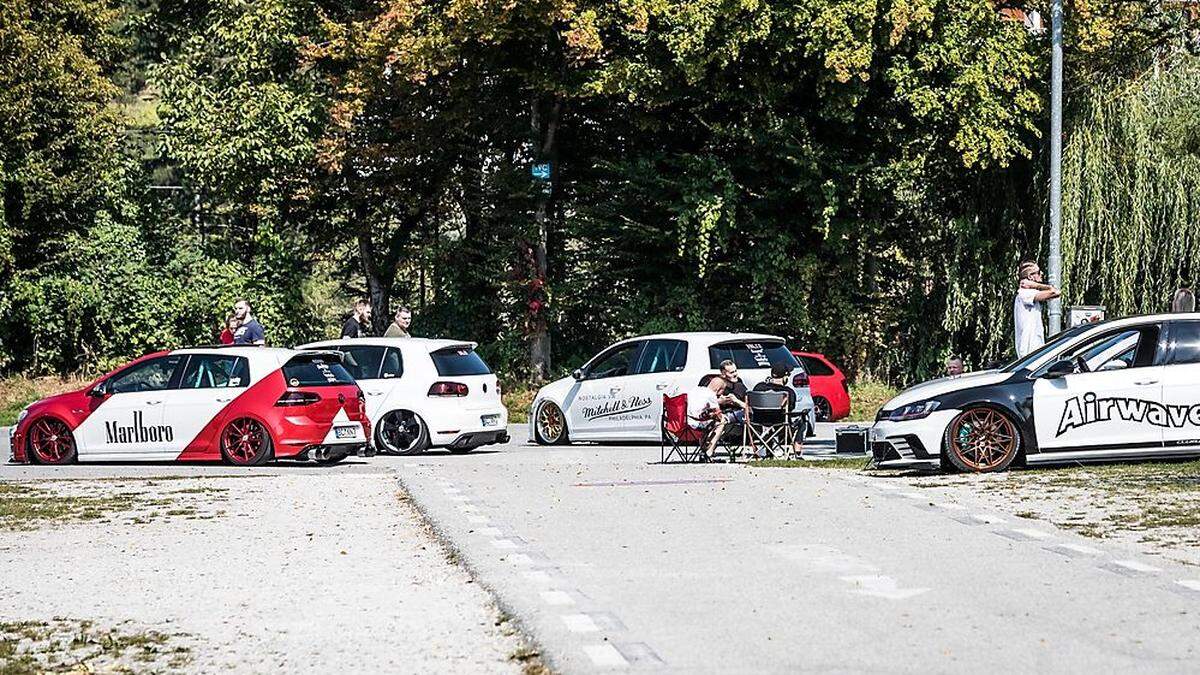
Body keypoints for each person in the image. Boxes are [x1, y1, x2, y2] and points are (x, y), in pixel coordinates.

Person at [751, 361, 804, 457]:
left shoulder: (758, 387)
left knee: (768, 422)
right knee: (803, 419)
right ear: (785, 377)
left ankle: (767, 449)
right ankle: (797, 451)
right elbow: (790, 409)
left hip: (758, 423)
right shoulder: (788, 392)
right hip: (781, 424)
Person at [1014, 261, 1060, 357]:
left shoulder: (1029, 293)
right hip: (1029, 351)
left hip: (1033, 350)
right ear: (1030, 276)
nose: (1041, 274)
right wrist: (1036, 285)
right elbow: (1055, 292)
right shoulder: (1025, 294)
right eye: (1038, 272)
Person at [686, 376, 730, 457]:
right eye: (722, 391)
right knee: (722, 421)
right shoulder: (711, 395)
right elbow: (718, 414)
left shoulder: (694, 390)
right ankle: (709, 451)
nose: (722, 394)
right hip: (696, 424)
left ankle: (703, 449)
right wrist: (723, 402)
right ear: (718, 389)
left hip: (685, 423)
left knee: (708, 421)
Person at [717, 359, 749, 424]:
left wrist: (736, 401)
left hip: (740, 413)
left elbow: (747, 405)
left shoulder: (739, 384)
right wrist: (720, 401)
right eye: (731, 372)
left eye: (735, 371)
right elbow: (706, 403)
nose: (735, 374)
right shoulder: (718, 383)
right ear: (723, 374)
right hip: (723, 414)